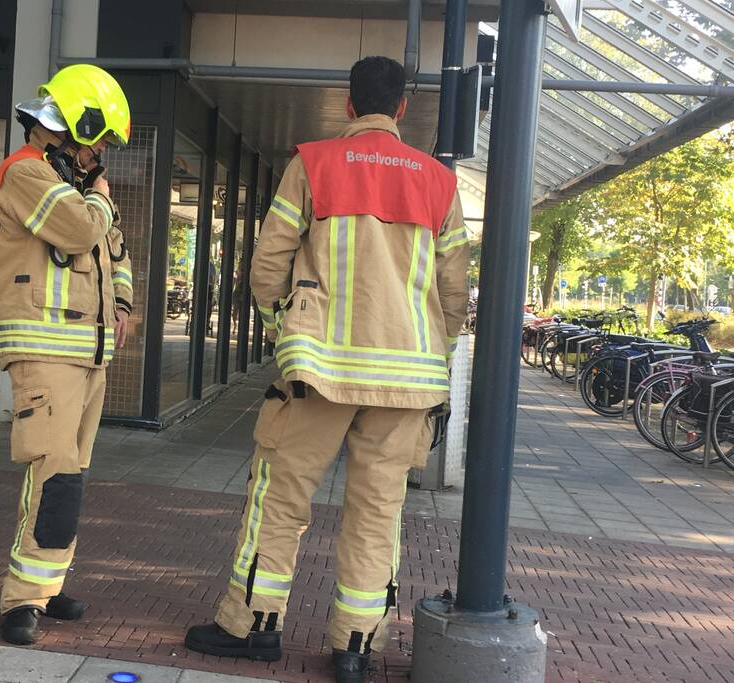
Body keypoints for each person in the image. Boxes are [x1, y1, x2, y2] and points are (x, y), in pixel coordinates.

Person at [184, 56, 469, 683]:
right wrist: (436, 358)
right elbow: (454, 294)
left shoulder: (312, 164)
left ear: (348, 103)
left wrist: (286, 331)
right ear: (401, 108)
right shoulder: (438, 183)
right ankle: (355, 645)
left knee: (279, 498)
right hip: (407, 382)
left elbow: (267, 267)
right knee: (378, 512)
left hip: (319, 374)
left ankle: (252, 627)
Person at [0, 64, 134, 646]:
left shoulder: (76, 185)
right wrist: (98, 199)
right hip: (46, 350)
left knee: (70, 477)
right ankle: (22, 599)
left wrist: (123, 303)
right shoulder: (27, 173)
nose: (102, 153)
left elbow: (116, 251)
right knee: (53, 474)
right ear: (76, 124)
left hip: (87, 354)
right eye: (100, 140)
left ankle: (47, 584)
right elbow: (79, 231)